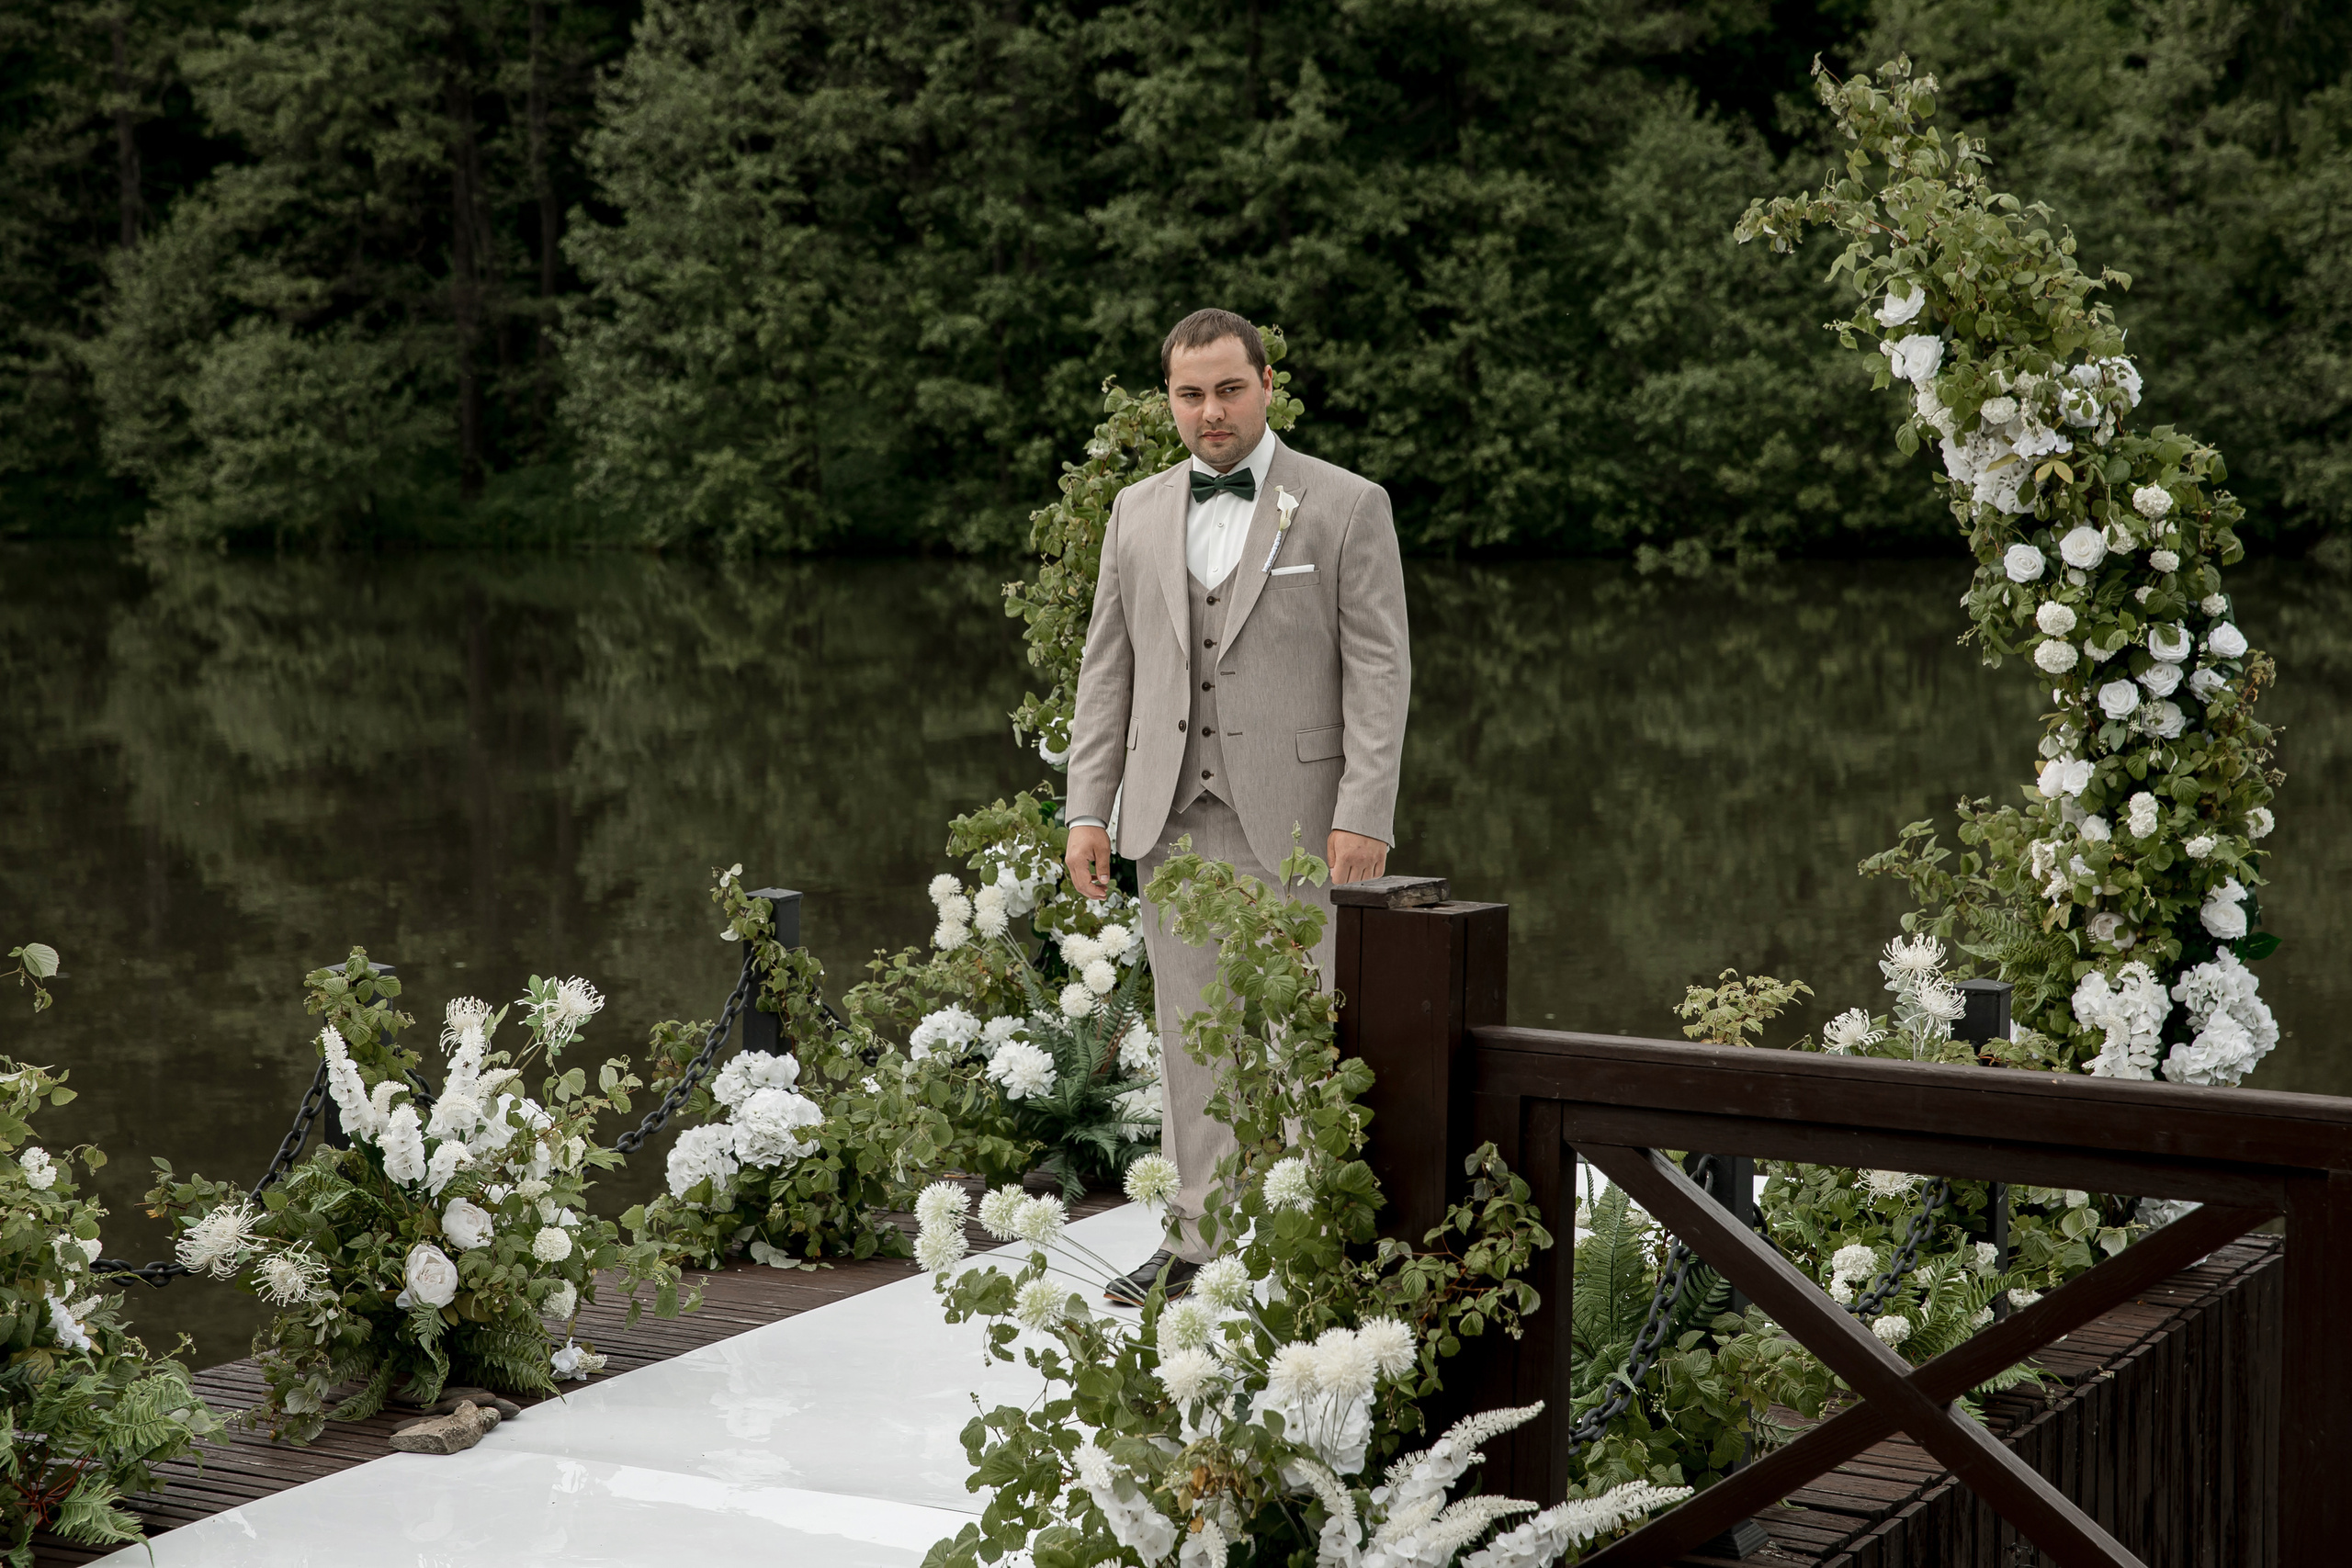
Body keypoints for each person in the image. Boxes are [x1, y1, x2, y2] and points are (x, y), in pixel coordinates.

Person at [1063, 308, 1410, 1304]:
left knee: (1306, 1035)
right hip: (1173, 814)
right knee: (1191, 1035)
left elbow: (1380, 671)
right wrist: (1088, 808)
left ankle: (1308, 1247)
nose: (1209, 411)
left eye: (1227, 388)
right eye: (1189, 394)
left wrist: (1366, 811)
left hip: (1303, 821)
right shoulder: (1134, 510)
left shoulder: (1345, 505)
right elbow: (1106, 671)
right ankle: (1197, 1244)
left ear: (1265, 386)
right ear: (1167, 400)